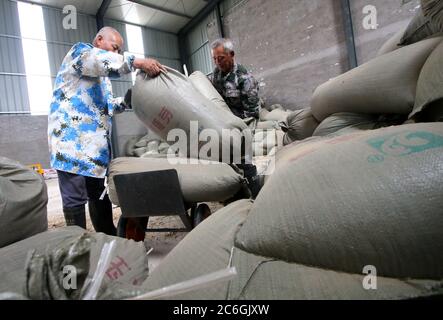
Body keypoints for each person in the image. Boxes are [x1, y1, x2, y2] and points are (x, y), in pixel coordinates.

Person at [48, 27, 165, 235]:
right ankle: (76, 247)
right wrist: (137, 62)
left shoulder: (102, 80)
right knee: (75, 198)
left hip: (94, 152)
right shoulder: (81, 53)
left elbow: (106, 106)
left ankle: (107, 237)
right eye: (115, 47)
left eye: (120, 51)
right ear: (99, 40)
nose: (117, 53)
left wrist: (126, 101)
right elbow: (100, 60)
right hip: (72, 147)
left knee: (98, 194)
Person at [209, 38, 262, 198]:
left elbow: (252, 113)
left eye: (221, 58)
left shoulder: (245, 79)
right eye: (215, 59)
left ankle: (256, 194)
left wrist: (237, 131)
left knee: (243, 159)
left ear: (231, 55)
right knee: (224, 157)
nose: (218, 62)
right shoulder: (217, 73)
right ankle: (234, 194)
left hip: (243, 122)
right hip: (224, 121)